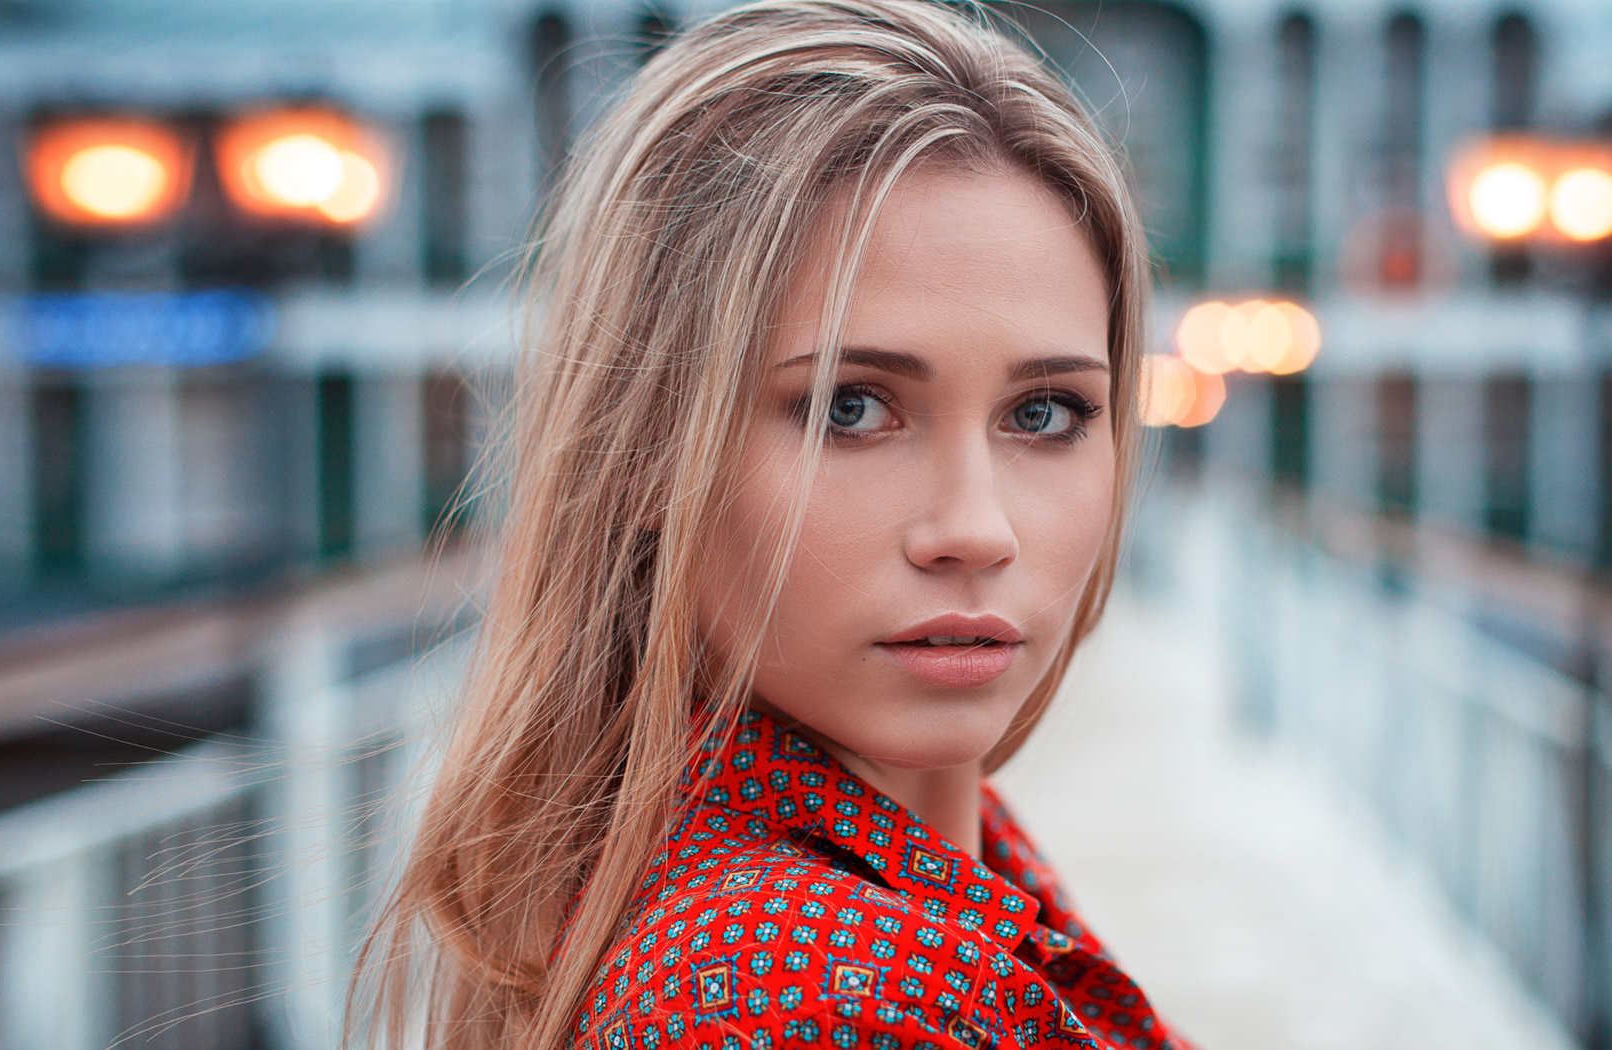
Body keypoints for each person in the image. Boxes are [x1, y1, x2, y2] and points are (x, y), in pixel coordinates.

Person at [357, 1, 1192, 1047]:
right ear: (650, 449)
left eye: (1044, 413)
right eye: (852, 407)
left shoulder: (923, 861)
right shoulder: (804, 993)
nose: (977, 531)